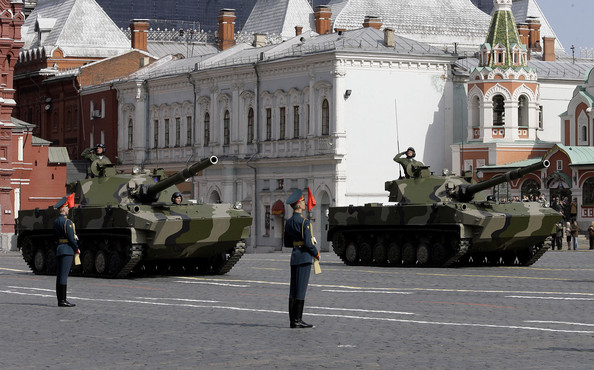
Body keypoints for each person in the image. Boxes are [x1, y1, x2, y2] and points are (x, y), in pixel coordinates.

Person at [284, 189, 319, 329]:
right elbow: (309, 244)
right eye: (303, 201)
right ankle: (297, 320)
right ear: (298, 205)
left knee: (293, 289)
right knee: (301, 290)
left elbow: (287, 243)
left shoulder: (289, 222)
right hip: (304, 257)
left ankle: (293, 319)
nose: (305, 203)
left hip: (294, 257)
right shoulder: (305, 222)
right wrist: (316, 253)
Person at [53, 196, 79, 307]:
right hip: (67, 250)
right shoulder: (67, 222)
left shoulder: (56, 221)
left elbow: (55, 237)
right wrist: (76, 248)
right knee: (63, 276)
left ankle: (60, 299)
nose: (68, 209)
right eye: (67, 207)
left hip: (59, 248)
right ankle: (62, 300)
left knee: (59, 276)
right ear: (63, 209)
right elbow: (71, 238)